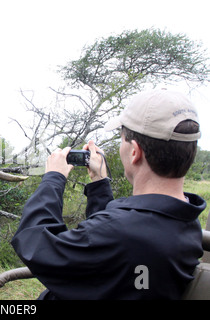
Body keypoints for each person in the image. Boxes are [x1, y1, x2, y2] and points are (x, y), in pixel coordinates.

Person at [11, 89, 207, 299]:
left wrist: (53, 178)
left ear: (134, 152)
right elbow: (113, 244)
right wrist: (99, 183)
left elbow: (33, 242)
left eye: (122, 139)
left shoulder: (121, 232)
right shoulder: (186, 223)